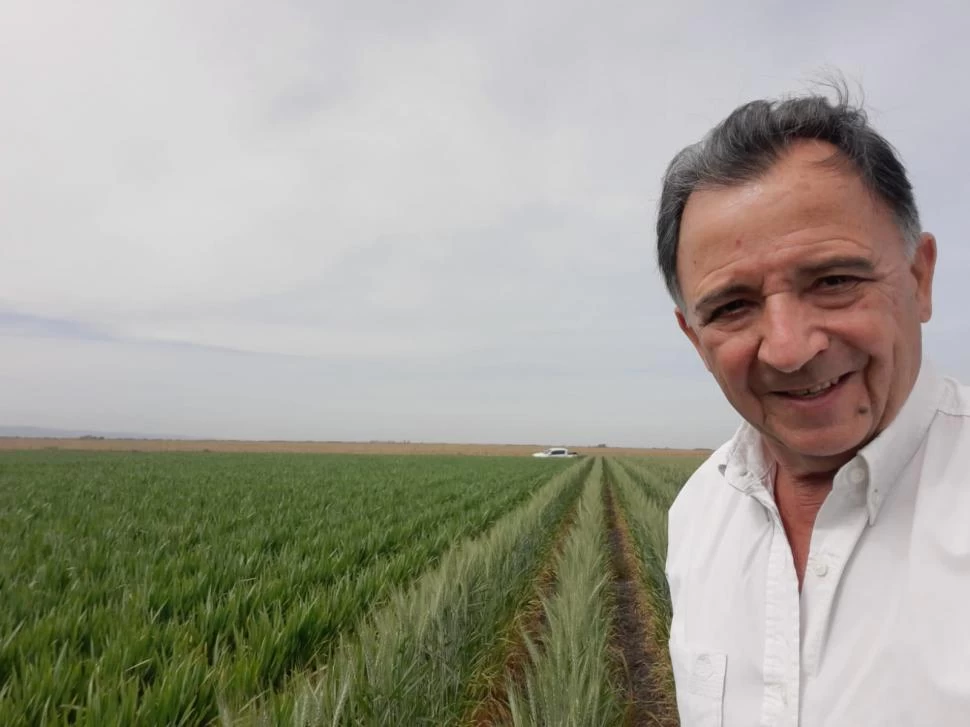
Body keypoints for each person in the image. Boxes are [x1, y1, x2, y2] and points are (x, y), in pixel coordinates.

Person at [658, 86, 970, 726]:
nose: (791, 348)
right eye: (733, 307)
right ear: (695, 338)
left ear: (919, 279)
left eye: (833, 281)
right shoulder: (697, 514)